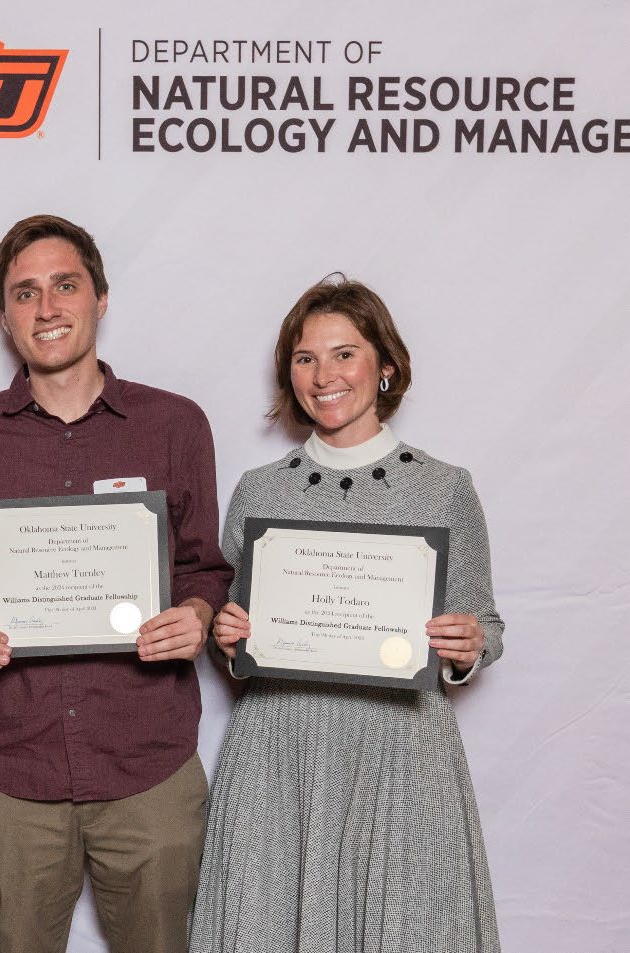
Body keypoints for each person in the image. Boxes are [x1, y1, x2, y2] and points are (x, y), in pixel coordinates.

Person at [0, 214, 232, 953]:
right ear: (2, 317)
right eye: (25, 293)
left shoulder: (175, 425)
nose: (46, 308)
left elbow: (204, 567)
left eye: (64, 286)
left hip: (147, 766)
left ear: (100, 298)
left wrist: (195, 612)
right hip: (12, 771)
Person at [191, 275, 503, 952]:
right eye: (304, 358)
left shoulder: (444, 488)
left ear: (383, 366)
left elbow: (485, 625)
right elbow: (235, 635)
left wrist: (467, 642)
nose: (323, 374)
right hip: (279, 753)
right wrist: (226, 636)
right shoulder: (257, 491)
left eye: (343, 353)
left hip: (398, 755)